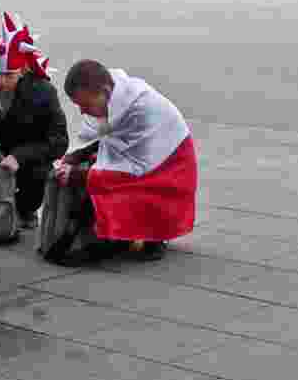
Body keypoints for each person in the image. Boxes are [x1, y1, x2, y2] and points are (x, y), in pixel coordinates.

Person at [56, 60, 197, 261]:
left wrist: (77, 174)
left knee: (106, 184)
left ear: (104, 91)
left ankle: (145, 236)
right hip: (149, 164)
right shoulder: (113, 101)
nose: (82, 112)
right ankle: (115, 235)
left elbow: (132, 171)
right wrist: (75, 157)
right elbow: (105, 141)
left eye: (85, 105)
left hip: (170, 172)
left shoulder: (141, 109)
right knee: (96, 173)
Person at [0, 11, 68, 230]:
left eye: (9, 75)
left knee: (38, 170)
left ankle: (26, 211)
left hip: (27, 154)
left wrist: (20, 156)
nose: (1, 81)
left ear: (22, 71)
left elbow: (59, 141)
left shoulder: (43, 91)